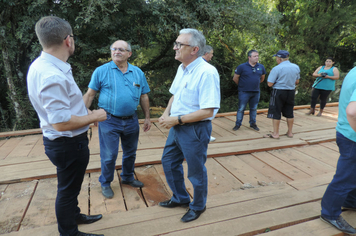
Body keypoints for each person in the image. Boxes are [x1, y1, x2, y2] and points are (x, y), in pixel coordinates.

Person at [27, 16, 106, 236]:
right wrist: (95, 116)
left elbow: (63, 108)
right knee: (68, 191)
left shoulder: (46, 65)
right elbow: (61, 123)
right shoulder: (52, 74)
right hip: (67, 143)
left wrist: (83, 112)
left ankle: (74, 215)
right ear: (68, 40)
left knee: (70, 185)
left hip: (64, 143)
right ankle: (69, 232)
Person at [158, 28, 220, 223]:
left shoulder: (207, 72)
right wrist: (166, 113)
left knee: (195, 170)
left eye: (179, 44)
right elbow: (175, 94)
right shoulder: (182, 67)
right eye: (176, 43)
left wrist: (176, 119)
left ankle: (198, 205)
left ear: (194, 49)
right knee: (168, 162)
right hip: (177, 125)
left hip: (194, 129)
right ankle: (181, 198)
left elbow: (208, 111)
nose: (175, 47)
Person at [83, 40, 151, 199]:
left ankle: (127, 177)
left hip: (132, 120)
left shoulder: (137, 72)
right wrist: (84, 115)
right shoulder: (101, 71)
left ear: (129, 53)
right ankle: (105, 182)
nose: (117, 51)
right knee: (109, 155)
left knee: (130, 152)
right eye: (114, 49)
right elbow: (90, 94)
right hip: (109, 120)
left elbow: (144, 95)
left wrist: (147, 117)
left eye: (121, 49)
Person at [320, 66, 356, 235]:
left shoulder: (354, 70)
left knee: (352, 175)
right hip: (352, 136)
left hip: (346, 132)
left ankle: (351, 201)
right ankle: (330, 213)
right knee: (345, 178)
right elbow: (353, 111)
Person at [264, 50, 300, 139]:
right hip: (291, 91)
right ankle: (290, 132)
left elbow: (269, 84)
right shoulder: (296, 67)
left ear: (279, 59)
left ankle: (276, 133)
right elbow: (297, 81)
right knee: (289, 112)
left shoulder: (277, 68)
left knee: (276, 112)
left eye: (276, 58)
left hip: (279, 92)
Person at [232, 50, 266, 131]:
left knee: (253, 109)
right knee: (241, 109)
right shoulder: (242, 67)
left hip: (256, 92)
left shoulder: (261, 67)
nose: (257, 57)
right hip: (244, 92)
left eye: (257, 56)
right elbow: (235, 78)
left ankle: (253, 124)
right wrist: (242, 85)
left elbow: (262, 78)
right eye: (255, 56)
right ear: (249, 57)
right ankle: (238, 124)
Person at [202, 45, 216, 143]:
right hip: (205, 97)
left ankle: (206, 135)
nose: (212, 56)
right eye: (211, 54)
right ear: (206, 54)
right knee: (205, 116)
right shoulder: (207, 68)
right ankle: (206, 136)